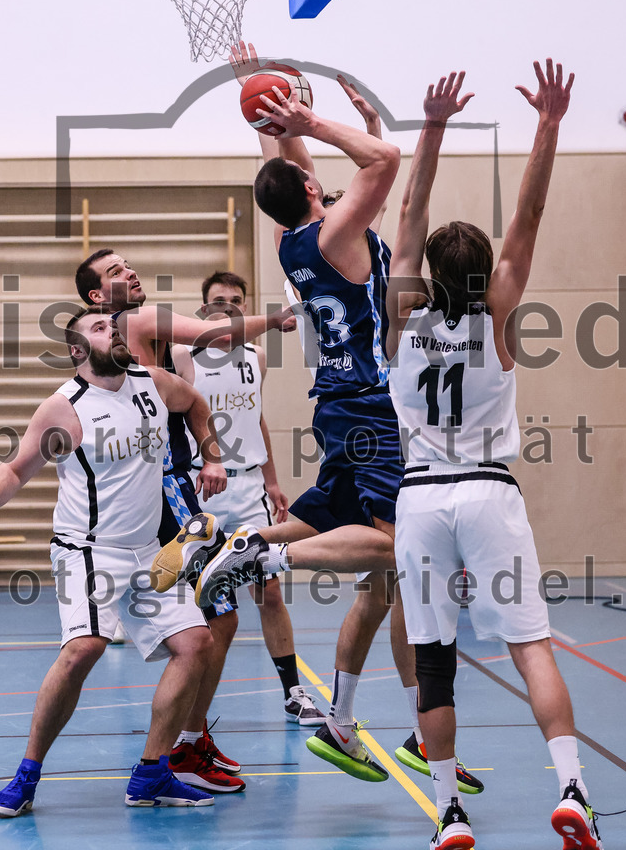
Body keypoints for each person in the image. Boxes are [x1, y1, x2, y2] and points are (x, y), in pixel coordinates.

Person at [159, 45, 483, 797]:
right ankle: (265, 559)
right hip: (372, 401)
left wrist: (262, 106)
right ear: (313, 189)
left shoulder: (289, 241)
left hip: (339, 404)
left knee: (380, 576)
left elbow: (299, 170)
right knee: (400, 552)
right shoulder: (336, 235)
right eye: (314, 173)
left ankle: (247, 545)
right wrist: (311, 117)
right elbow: (384, 162)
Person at [385, 62, 600, 850]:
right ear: (483, 275)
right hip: (489, 493)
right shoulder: (498, 314)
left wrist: (433, 126)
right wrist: (547, 125)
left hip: (420, 500)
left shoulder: (400, 316)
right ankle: (572, 787)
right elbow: (532, 213)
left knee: (435, 660)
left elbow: (410, 207)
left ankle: (448, 811)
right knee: (529, 645)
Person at [0, 307, 236, 815]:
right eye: (102, 328)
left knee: (196, 643)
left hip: (148, 548)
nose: (116, 331)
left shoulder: (150, 382)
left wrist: (212, 456)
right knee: (84, 649)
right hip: (87, 549)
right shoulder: (64, 408)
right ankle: (27, 775)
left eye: (115, 324)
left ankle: (152, 774)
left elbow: (196, 403)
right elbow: (17, 468)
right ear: (79, 351)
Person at [74, 249, 296, 783]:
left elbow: (195, 399)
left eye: (128, 264)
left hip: (166, 488)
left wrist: (214, 453)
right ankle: (180, 750)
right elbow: (217, 334)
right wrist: (283, 317)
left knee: (212, 619)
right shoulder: (137, 322)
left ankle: (189, 742)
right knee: (211, 619)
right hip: (167, 490)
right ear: (96, 298)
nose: (128, 271)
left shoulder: (133, 337)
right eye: (113, 273)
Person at [171, 270, 322, 725]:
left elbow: (256, 417)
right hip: (203, 487)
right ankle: (191, 705)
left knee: (269, 590)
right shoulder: (182, 356)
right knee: (206, 603)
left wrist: (272, 479)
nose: (228, 307)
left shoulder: (256, 356)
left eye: (236, 300)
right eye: (219, 301)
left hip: (249, 486)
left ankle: (293, 691)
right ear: (203, 309)